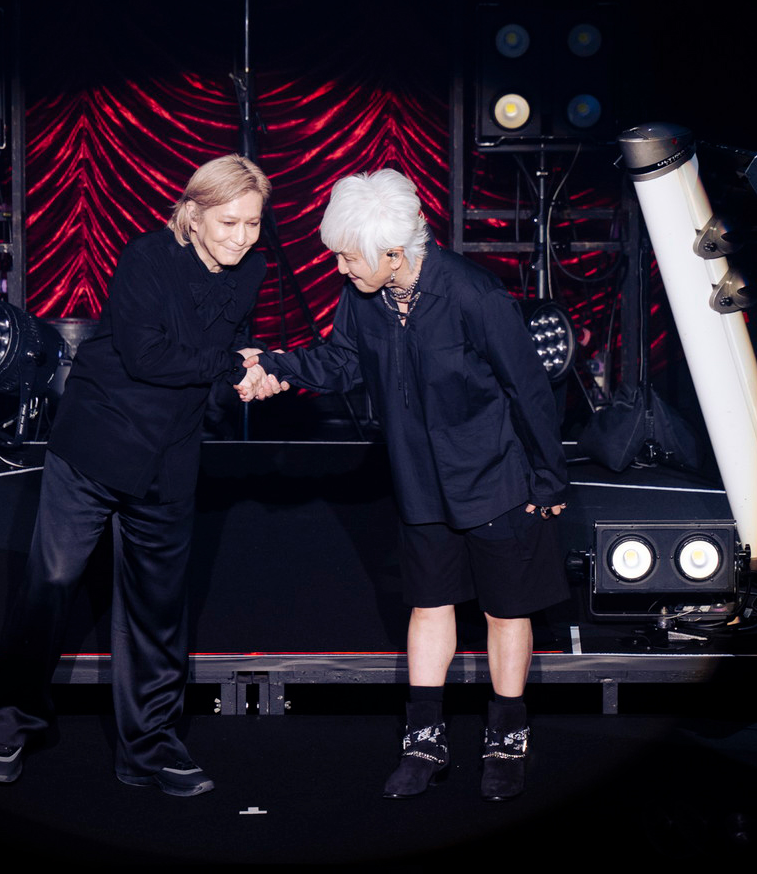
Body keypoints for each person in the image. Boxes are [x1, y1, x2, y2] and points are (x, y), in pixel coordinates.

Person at [239, 169, 569, 801]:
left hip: (496, 478)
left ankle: (506, 739)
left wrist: (549, 480)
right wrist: (273, 365)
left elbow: (528, 389)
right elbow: (340, 361)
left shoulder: (474, 295)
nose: (339, 267)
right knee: (429, 604)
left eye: (348, 256)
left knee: (506, 612)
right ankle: (424, 741)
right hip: (421, 480)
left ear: (393, 254)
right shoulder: (364, 297)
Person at [0, 154, 273, 797]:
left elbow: (209, 353)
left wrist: (249, 369)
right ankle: (9, 723)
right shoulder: (146, 258)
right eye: (229, 222)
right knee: (50, 587)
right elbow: (148, 356)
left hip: (170, 457)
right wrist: (234, 365)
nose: (242, 237)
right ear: (192, 214)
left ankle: (150, 747)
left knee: (157, 610)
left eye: (253, 223)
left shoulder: (250, 270)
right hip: (97, 443)